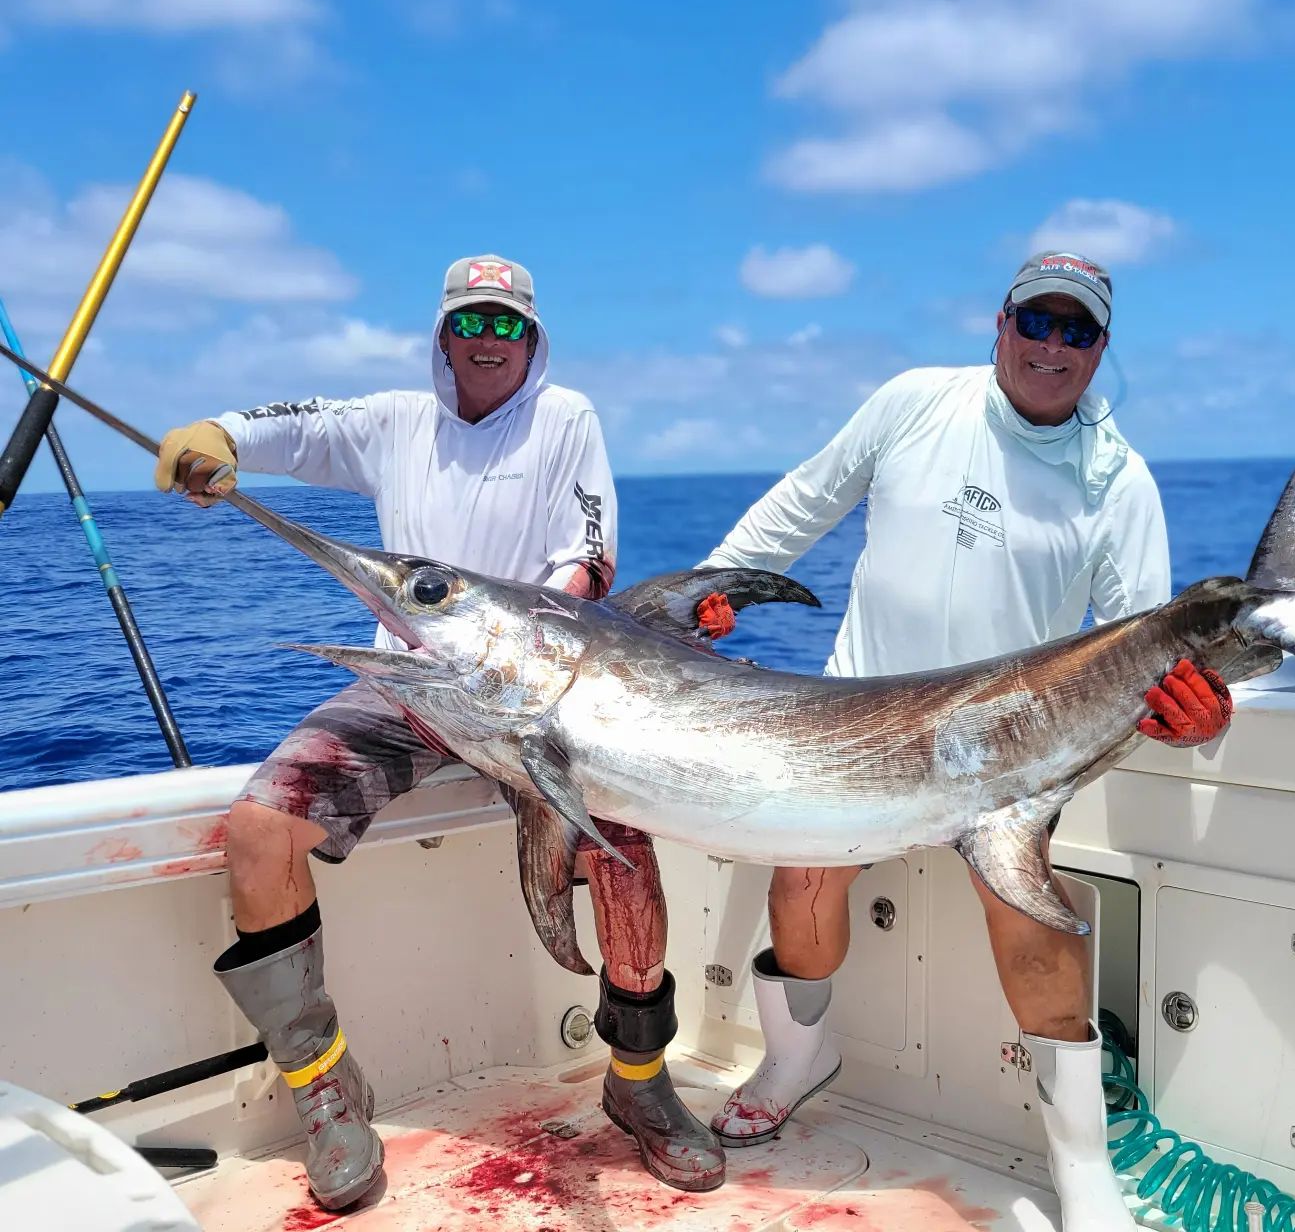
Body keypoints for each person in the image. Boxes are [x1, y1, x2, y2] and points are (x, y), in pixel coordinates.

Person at [153, 255, 724, 1210]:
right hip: (414, 685)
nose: (489, 340)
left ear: (531, 339)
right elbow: (291, 430)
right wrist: (221, 438)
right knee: (258, 832)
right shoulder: (392, 423)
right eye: (472, 323)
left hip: (536, 689)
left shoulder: (565, 419)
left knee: (622, 858)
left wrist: (543, 635)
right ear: (445, 334)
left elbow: (586, 555)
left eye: (507, 325)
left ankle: (639, 1082)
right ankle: (326, 1089)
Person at [696, 251, 1231, 1230]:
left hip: (1005, 751)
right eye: (1038, 322)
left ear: (1101, 351)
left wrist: (1202, 716)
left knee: (1032, 920)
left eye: (1077, 332)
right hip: (860, 723)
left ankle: (1083, 1170)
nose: (1052, 347)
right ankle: (797, 1056)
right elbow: (806, 500)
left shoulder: (1120, 483)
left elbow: (1147, 644)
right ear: (1000, 324)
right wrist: (713, 582)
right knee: (802, 880)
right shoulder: (914, 402)